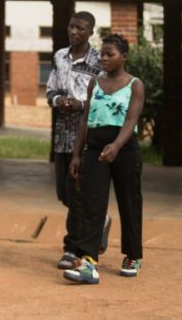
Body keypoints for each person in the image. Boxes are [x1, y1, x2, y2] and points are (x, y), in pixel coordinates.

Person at [64, 33, 145, 284]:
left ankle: (132, 255)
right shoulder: (95, 82)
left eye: (110, 54)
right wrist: (77, 154)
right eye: (102, 54)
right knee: (92, 204)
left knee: (129, 203)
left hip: (125, 151)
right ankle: (89, 262)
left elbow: (131, 120)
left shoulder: (135, 84)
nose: (104, 58)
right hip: (95, 150)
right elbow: (86, 119)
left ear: (124, 57)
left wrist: (117, 146)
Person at [46, 11, 111, 270]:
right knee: (64, 193)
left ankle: (72, 248)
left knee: (77, 191)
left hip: (86, 138)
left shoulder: (98, 60)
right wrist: (59, 101)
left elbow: (104, 96)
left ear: (90, 32)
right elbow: (51, 89)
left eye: (80, 28)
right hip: (62, 135)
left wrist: (80, 104)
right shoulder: (59, 56)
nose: (74, 32)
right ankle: (100, 221)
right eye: (71, 26)